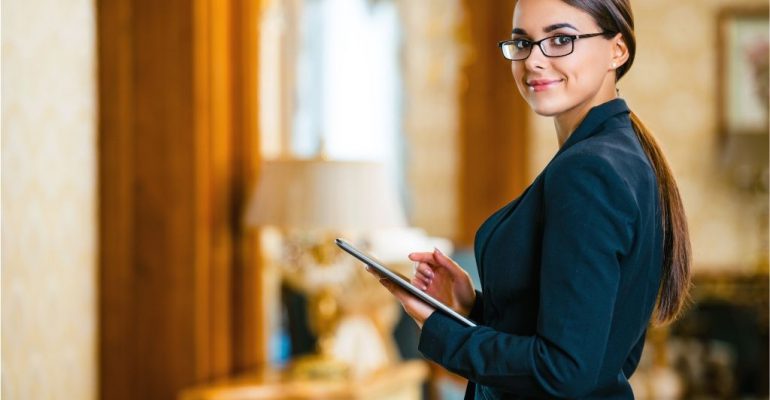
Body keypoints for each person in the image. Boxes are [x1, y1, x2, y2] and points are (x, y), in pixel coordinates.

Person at [370, 0, 692, 398]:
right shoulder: (614, 154)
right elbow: (585, 339)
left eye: (560, 40)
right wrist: (472, 309)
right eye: (523, 42)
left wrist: (443, 330)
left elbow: (565, 370)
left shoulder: (590, 172)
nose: (534, 61)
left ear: (617, 50)